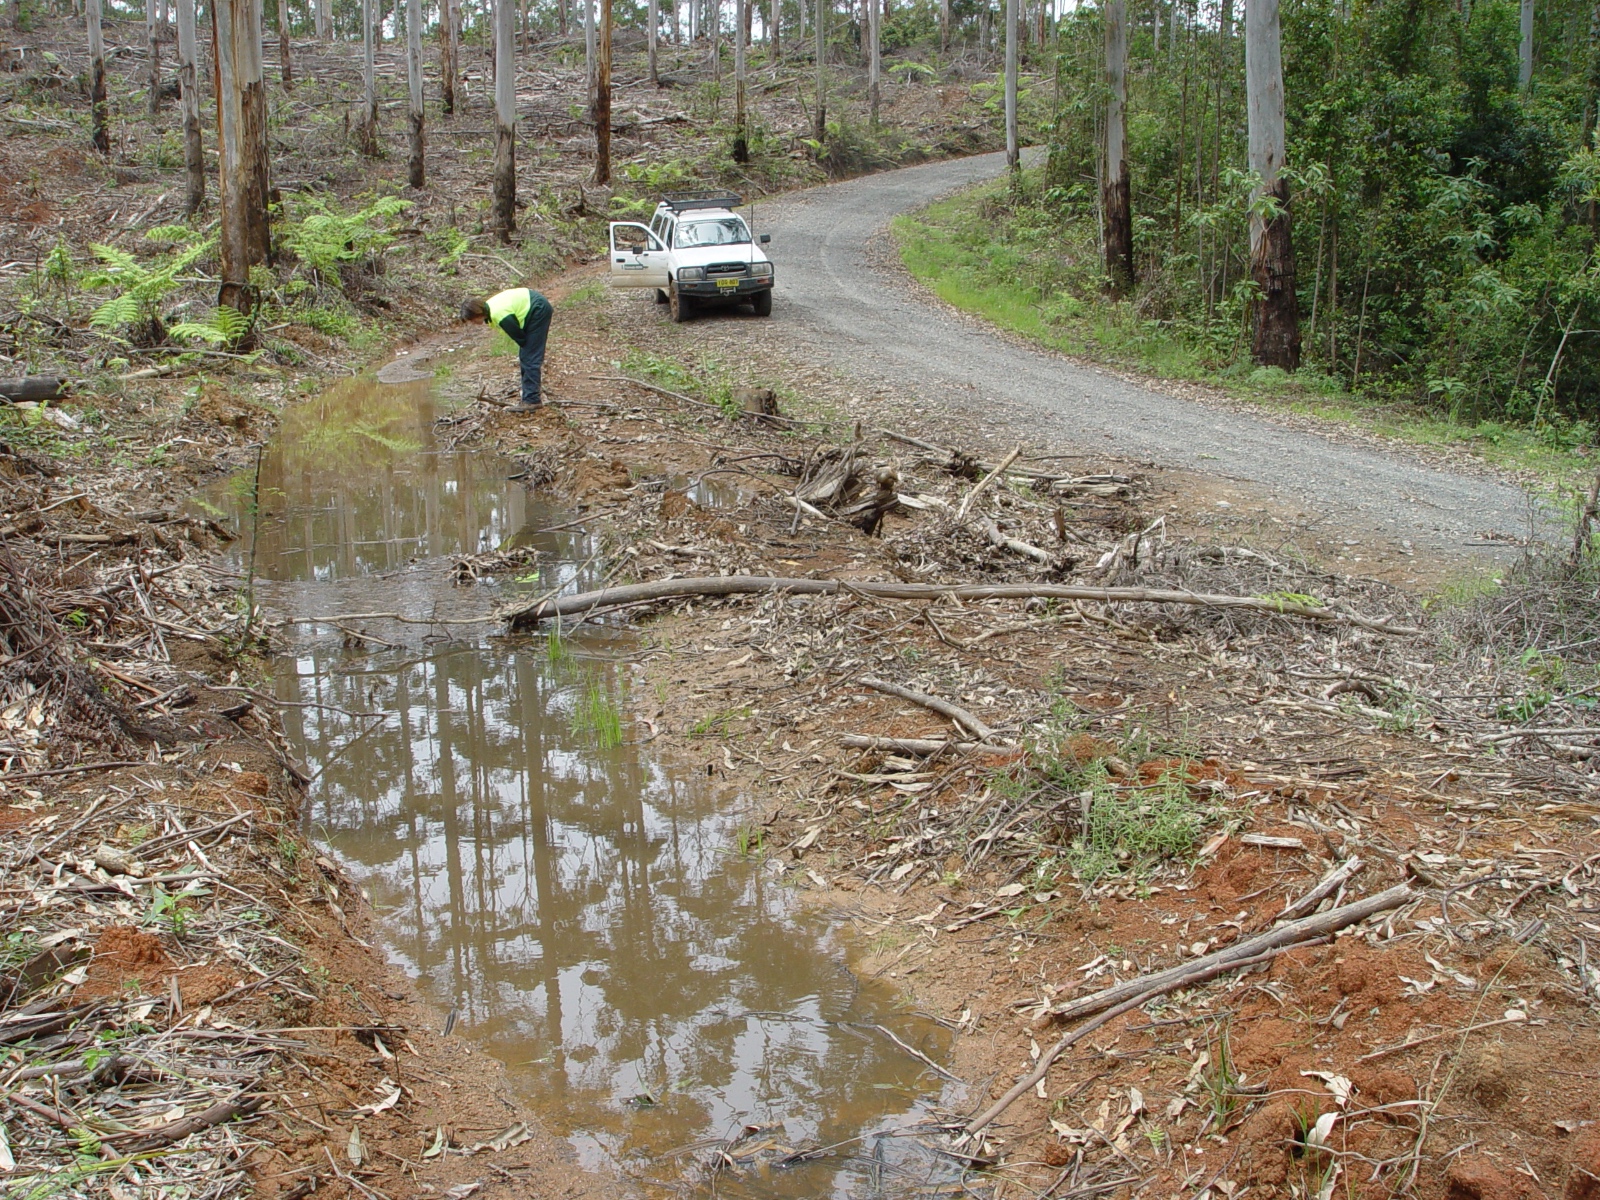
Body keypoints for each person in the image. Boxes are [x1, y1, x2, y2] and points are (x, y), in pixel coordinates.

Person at [459, 287, 554, 410]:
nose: (473, 323)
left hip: (538, 309)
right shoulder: (491, 308)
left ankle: (532, 400)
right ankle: (529, 397)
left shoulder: (499, 313)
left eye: (472, 320)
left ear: (477, 314)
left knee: (530, 358)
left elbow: (520, 338)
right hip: (534, 307)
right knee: (527, 356)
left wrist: (528, 349)